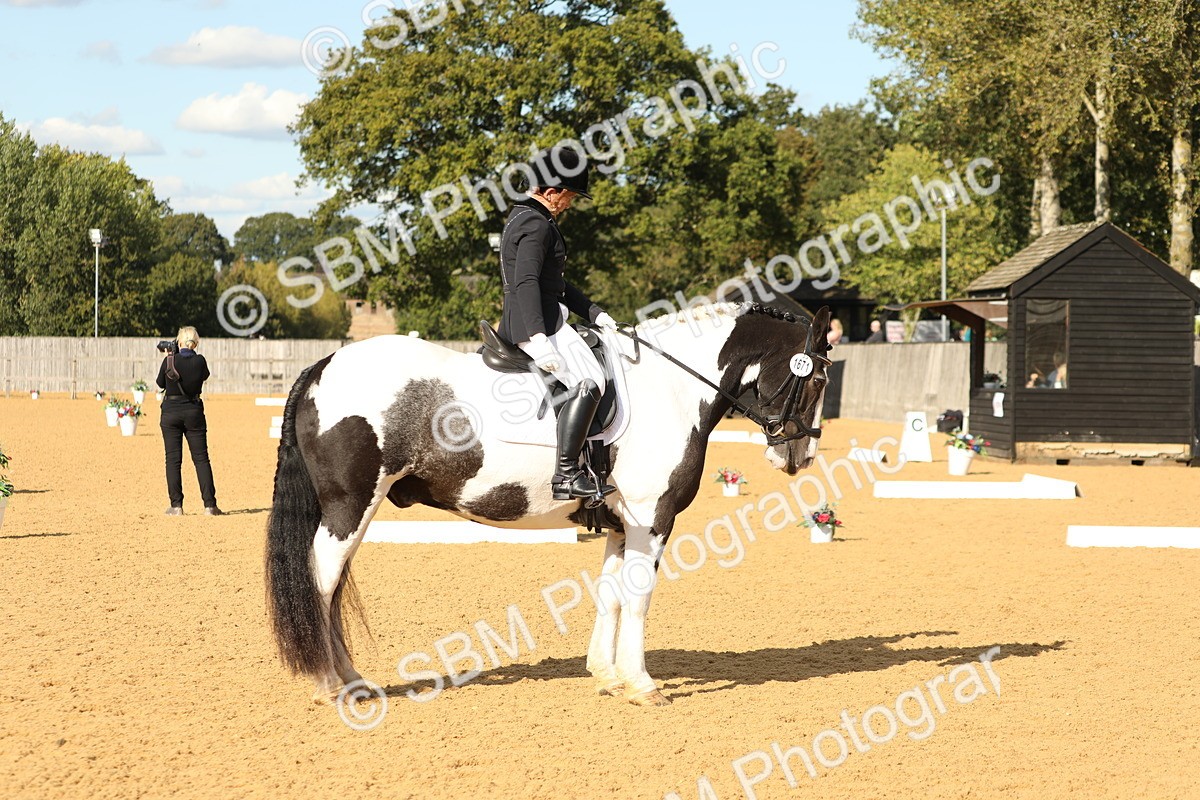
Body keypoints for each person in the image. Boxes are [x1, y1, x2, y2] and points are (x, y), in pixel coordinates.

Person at [498, 146, 617, 501]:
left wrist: (594, 312)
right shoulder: (536, 223)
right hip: (538, 324)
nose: (569, 204)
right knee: (591, 380)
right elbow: (527, 282)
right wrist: (538, 337)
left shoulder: (524, 216)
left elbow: (555, 284)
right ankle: (566, 474)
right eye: (568, 196)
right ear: (551, 192)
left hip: (542, 316)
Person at [156, 326, 221, 515]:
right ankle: (210, 505)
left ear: (179, 341)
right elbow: (204, 376)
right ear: (195, 342)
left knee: (173, 460)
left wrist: (170, 356)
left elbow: (160, 383)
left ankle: (176, 505)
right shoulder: (200, 361)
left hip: (171, 412)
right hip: (193, 411)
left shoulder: (169, 361)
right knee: (201, 459)